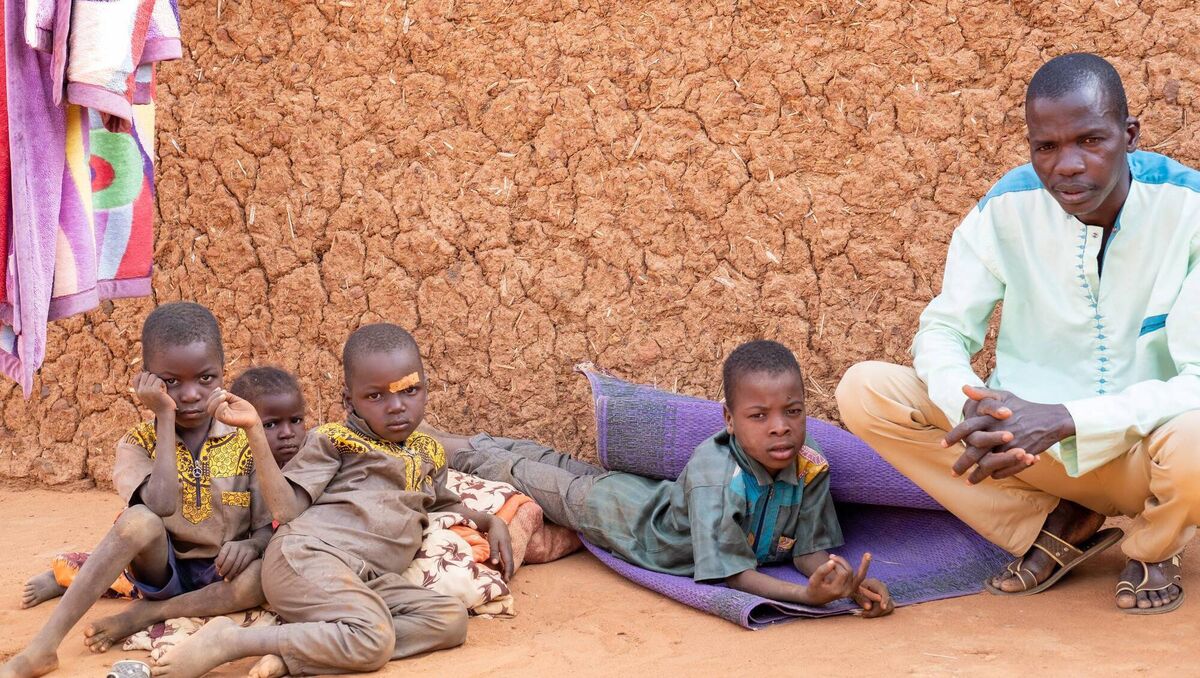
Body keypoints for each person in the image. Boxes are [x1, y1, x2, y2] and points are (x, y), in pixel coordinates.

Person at [837, 53, 1200, 614]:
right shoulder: (1006, 207)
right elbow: (943, 328)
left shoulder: (1189, 211)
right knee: (866, 391)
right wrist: (970, 406)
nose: (1067, 165)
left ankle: (1153, 547)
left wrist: (1066, 418)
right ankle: (1052, 527)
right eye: (1046, 147)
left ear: (1129, 134)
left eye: (1090, 140)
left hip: (1141, 456)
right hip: (1024, 449)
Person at [152, 323, 512, 678]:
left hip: (366, 578)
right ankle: (235, 642)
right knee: (374, 635)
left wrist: (490, 521)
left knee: (449, 621)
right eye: (376, 396)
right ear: (348, 400)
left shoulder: (428, 451)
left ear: (426, 389)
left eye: (410, 390)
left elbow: (442, 506)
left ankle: (302, 651)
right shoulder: (334, 440)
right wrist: (254, 432)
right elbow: (285, 508)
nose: (397, 406)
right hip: (308, 557)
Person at [432, 340, 893, 616]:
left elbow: (810, 550)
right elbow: (734, 577)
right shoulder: (718, 477)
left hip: (650, 497)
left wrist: (842, 582)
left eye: (793, 412)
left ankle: (470, 441)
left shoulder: (809, 468)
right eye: (759, 415)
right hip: (628, 520)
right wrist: (806, 597)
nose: (780, 427)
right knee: (536, 478)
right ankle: (446, 444)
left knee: (560, 464)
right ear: (729, 420)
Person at [0, 302, 271, 678]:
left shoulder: (245, 437)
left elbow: (264, 527)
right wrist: (164, 415)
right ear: (148, 381)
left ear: (223, 374)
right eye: (172, 382)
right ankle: (43, 646)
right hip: (161, 572)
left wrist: (251, 545)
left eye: (206, 379)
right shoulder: (137, 443)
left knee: (261, 578)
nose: (190, 394)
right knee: (137, 520)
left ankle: (145, 615)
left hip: (223, 579)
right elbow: (159, 505)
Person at [229, 366, 308, 467]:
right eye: (270, 425)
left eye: (295, 420)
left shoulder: (312, 466)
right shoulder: (233, 474)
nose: (287, 433)